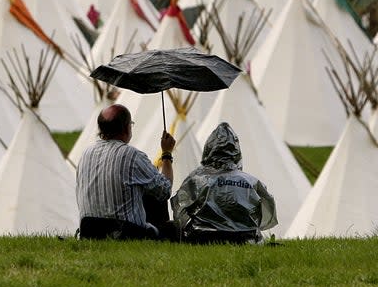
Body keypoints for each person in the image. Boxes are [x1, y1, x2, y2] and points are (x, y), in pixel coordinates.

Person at [76, 103, 176, 240]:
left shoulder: (85, 154)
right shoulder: (132, 155)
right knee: (171, 222)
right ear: (126, 127)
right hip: (126, 233)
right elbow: (165, 190)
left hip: (89, 233)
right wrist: (166, 154)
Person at [171, 122, 277, 244]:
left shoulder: (197, 179)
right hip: (244, 239)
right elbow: (268, 214)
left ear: (209, 149)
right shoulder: (252, 182)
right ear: (237, 152)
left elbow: (179, 208)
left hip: (203, 238)